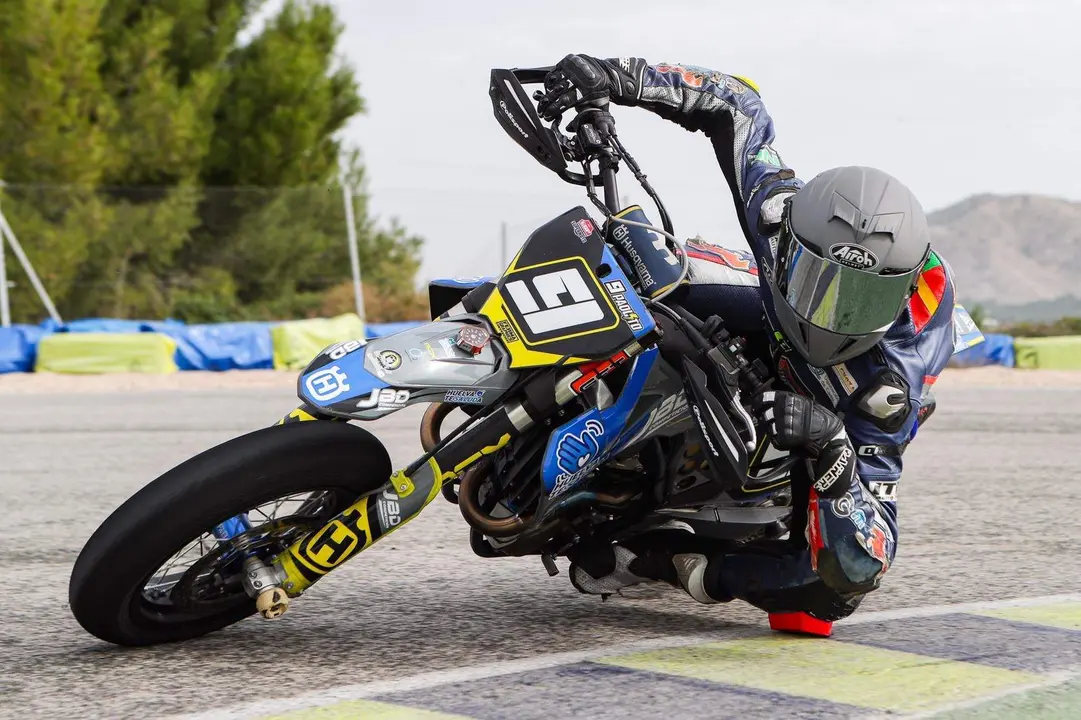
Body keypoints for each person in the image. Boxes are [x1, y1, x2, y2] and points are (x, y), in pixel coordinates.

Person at [536, 55, 957, 628]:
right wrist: (619, 77)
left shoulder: (891, 383)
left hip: (835, 411)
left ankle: (662, 561)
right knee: (654, 286)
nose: (831, 318)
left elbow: (873, 551)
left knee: (831, 593)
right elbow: (737, 104)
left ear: (898, 295)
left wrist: (832, 445)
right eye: (817, 284)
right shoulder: (780, 213)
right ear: (789, 247)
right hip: (768, 307)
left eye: (859, 303)